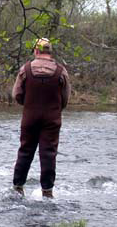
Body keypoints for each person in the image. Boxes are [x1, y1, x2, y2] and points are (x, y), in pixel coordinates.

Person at [12, 38, 71, 198]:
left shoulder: (25, 69)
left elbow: (17, 94)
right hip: (52, 118)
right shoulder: (61, 71)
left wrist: (29, 104)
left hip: (30, 117)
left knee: (25, 151)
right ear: (49, 52)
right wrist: (55, 108)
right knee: (48, 153)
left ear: (36, 51)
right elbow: (65, 98)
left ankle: (18, 188)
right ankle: (47, 192)